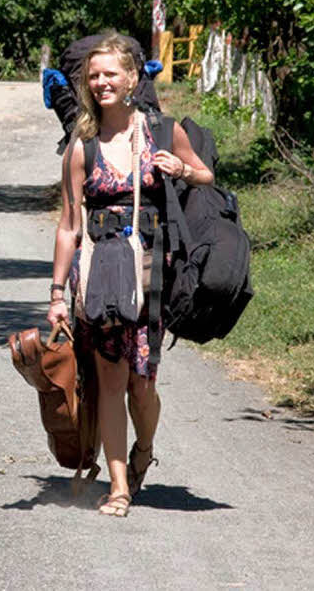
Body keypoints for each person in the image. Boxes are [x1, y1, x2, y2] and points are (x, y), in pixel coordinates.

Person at [46, 33, 212, 517]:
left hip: (149, 276)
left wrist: (180, 167)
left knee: (143, 386)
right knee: (111, 382)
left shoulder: (162, 131)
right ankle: (119, 485)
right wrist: (57, 294)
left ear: (132, 79)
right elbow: (68, 225)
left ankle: (144, 449)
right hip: (99, 276)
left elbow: (205, 175)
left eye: (110, 74)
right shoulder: (81, 147)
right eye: (93, 76)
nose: (100, 83)